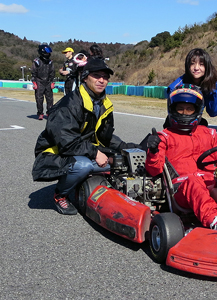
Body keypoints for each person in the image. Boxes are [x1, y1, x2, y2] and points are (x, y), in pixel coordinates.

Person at [32, 58, 139, 215]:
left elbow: (105, 137)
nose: (101, 80)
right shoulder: (68, 104)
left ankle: (86, 181)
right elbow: (66, 142)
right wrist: (96, 153)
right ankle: (60, 194)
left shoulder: (104, 104)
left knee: (123, 160)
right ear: (85, 77)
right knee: (83, 166)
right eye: (96, 75)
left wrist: (128, 148)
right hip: (55, 152)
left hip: (81, 149)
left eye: (105, 77)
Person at [145, 84, 217, 232]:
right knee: (194, 181)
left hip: (210, 181)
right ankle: (216, 222)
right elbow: (154, 170)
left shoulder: (209, 133)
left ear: (197, 110)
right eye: (180, 109)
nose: (184, 113)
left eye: (189, 109)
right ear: (172, 110)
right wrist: (152, 151)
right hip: (182, 187)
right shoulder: (164, 136)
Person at [165, 48, 217, 128]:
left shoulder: (210, 85)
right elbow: (171, 110)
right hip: (176, 122)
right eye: (192, 64)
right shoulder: (177, 86)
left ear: (207, 67)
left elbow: (213, 112)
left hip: (195, 122)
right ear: (187, 66)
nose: (196, 68)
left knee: (203, 125)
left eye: (201, 64)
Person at [31, 44, 55, 120]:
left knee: (50, 99)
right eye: (46, 53)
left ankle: (49, 113)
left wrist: (52, 82)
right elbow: (33, 72)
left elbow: (52, 72)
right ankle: (40, 113)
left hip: (48, 81)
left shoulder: (50, 62)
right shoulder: (36, 61)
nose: (47, 55)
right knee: (39, 99)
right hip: (39, 81)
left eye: (48, 53)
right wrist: (34, 82)